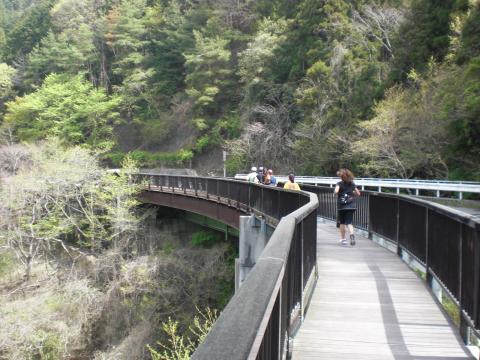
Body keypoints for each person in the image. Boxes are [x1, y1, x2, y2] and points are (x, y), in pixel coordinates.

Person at [334, 168, 361, 246]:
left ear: (341, 177)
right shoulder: (352, 184)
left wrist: (336, 193)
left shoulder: (339, 184)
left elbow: (336, 191)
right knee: (349, 222)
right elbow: (358, 193)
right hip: (351, 205)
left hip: (342, 206)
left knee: (342, 222)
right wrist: (352, 193)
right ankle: (352, 236)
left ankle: (343, 239)